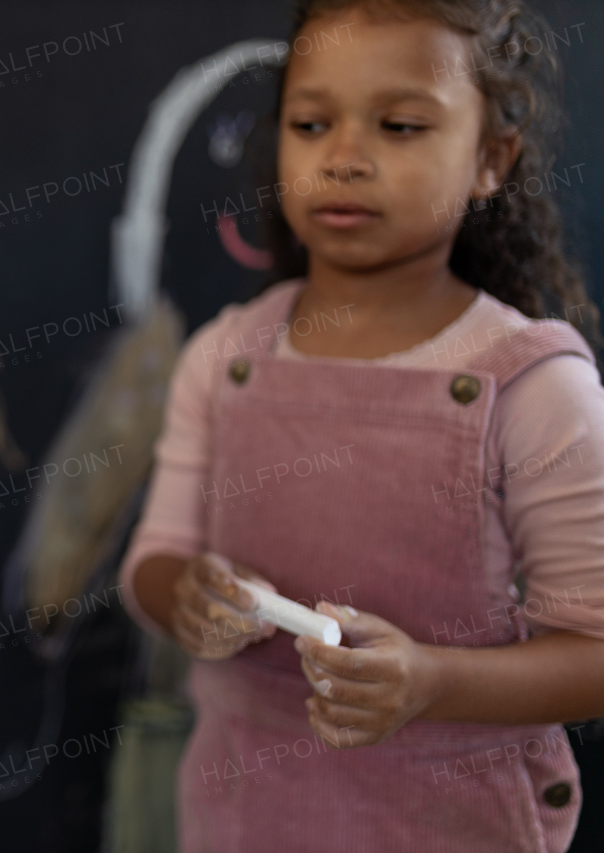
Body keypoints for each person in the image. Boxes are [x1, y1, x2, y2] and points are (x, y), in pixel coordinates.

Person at [118, 1, 604, 850]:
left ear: (491, 159)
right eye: (311, 123)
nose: (343, 157)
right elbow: (152, 564)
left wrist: (431, 679)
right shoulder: (222, 358)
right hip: (240, 820)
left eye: (402, 125)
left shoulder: (531, 385)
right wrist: (188, 596)